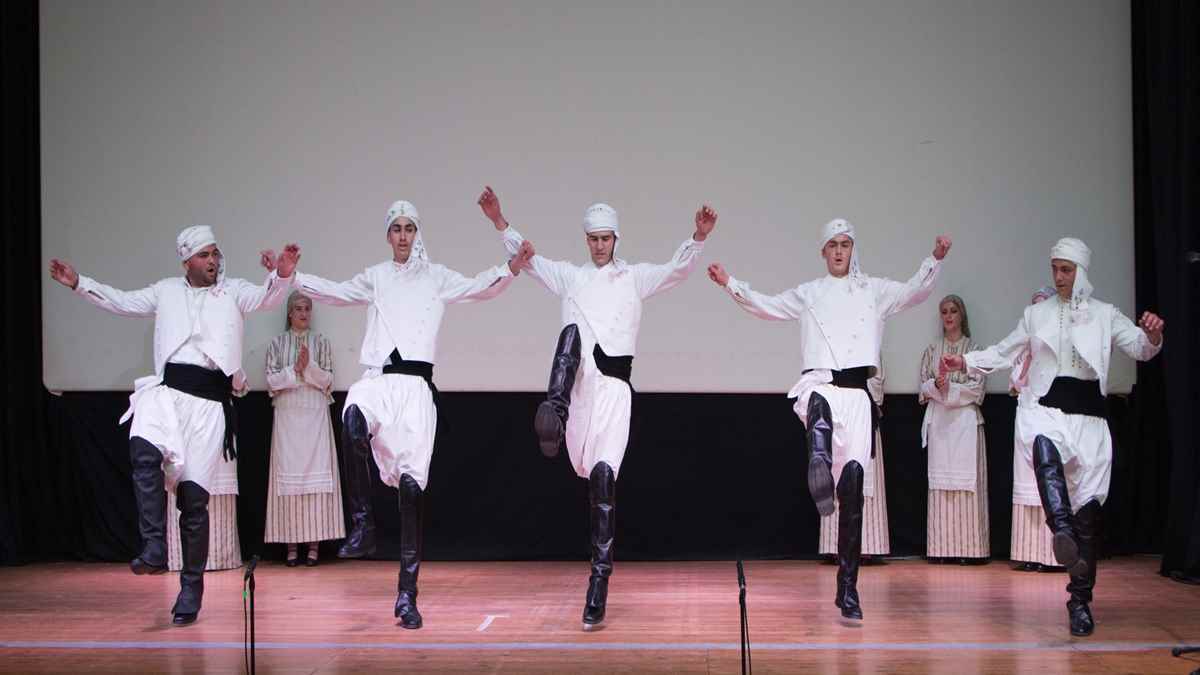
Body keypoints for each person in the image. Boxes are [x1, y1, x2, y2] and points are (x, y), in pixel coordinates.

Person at [480, 187, 715, 630]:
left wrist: (698, 237)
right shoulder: (571, 276)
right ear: (586, 240)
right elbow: (529, 261)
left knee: (604, 479)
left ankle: (599, 582)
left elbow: (675, 270)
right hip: (576, 388)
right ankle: (554, 410)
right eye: (593, 239)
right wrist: (499, 222)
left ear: (616, 239)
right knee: (570, 335)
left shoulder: (634, 278)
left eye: (606, 238)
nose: (600, 245)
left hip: (613, 394)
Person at [294, 197, 533, 629]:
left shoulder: (436, 277)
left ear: (416, 233)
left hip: (416, 392)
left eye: (409, 228)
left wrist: (511, 268)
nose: (403, 236)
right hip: (379, 379)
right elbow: (336, 291)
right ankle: (363, 524)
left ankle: (407, 595)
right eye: (396, 229)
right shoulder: (376, 276)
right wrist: (291, 277)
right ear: (388, 235)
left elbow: (479, 286)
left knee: (410, 490)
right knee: (352, 418)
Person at [48, 227, 298, 626]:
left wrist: (282, 274)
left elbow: (268, 298)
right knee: (142, 449)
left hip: (209, 405)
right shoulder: (165, 291)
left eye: (215, 253)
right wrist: (80, 283)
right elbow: (122, 301)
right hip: (167, 394)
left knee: (193, 502)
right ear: (187, 261)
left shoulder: (233, 292)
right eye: (204, 255)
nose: (213, 261)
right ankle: (153, 546)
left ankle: (190, 590)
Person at [709, 218, 950, 620]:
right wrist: (729, 283)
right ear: (823, 251)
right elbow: (767, 305)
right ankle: (818, 462)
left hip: (857, 395)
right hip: (820, 382)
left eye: (845, 244)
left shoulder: (873, 290)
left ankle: (848, 588)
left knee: (852, 493)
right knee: (817, 407)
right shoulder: (810, 293)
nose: (839, 251)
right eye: (832, 245)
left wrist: (935, 259)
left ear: (853, 249)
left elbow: (913, 292)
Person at [942, 237, 1164, 636]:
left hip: (1091, 421)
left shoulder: (1104, 314)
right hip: (1049, 409)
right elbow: (1005, 351)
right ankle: (1059, 526)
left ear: (1081, 271)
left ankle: (1079, 602)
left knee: (1088, 518)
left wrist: (1152, 335)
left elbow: (1140, 348)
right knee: (1042, 446)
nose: (1059, 277)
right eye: (1055, 269)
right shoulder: (1036, 314)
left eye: (1066, 269)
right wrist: (966, 360)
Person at [263, 291, 344, 567]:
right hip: (287, 417)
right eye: (298, 308)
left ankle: (313, 546)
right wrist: (293, 371)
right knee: (288, 477)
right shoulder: (277, 343)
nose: (303, 313)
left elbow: (328, 379)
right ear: (289, 312)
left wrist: (308, 368)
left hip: (315, 416)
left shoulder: (321, 342)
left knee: (316, 476)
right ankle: (290, 547)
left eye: (307, 308)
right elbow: (271, 380)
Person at [919, 295, 989, 564]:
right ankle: (941, 548)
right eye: (944, 312)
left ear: (962, 315)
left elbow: (977, 389)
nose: (948, 316)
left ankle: (971, 549)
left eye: (953, 311)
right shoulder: (932, 349)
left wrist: (951, 388)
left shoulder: (974, 350)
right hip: (940, 424)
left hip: (965, 423)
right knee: (940, 484)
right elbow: (923, 386)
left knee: (967, 485)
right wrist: (937, 386)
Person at [1009, 287, 1060, 572]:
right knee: (1028, 488)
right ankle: (1029, 553)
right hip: (1025, 421)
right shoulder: (1023, 349)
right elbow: (1017, 383)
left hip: (1050, 419)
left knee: (1050, 484)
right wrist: (1028, 355)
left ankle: (1053, 555)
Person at [818, 366, 889, 562]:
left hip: (862, 412)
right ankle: (834, 546)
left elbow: (877, 382)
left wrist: (854, 392)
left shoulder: (868, 349)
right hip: (838, 413)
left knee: (863, 477)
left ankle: (867, 546)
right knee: (838, 474)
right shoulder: (831, 351)